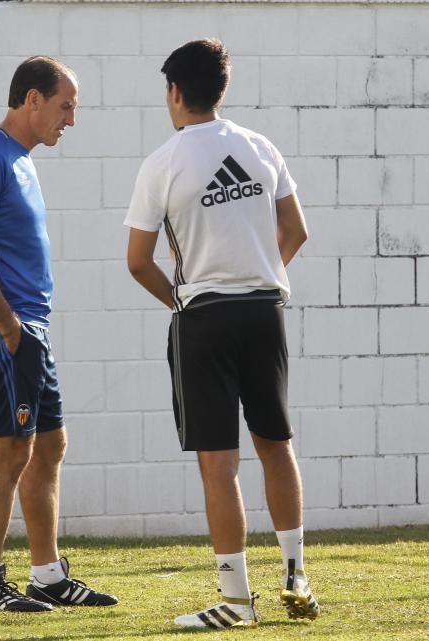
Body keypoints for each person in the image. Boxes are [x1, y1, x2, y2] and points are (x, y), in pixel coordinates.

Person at [124, 39, 319, 629]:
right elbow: (297, 230)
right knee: (276, 444)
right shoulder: (261, 148)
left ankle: (237, 601)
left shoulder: (162, 162)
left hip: (204, 319)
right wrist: (262, 273)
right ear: (222, 89)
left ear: (175, 92)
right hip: (265, 311)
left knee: (219, 462)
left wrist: (183, 301)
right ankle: (296, 577)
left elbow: (137, 261)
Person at [0, 56, 118, 613]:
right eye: (65, 106)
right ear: (32, 100)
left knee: (49, 445)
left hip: (26, 333)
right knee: (9, 452)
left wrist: (26, 333)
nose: (70, 119)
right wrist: (10, 329)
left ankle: (47, 575)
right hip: (0, 332)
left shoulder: (22, 160)